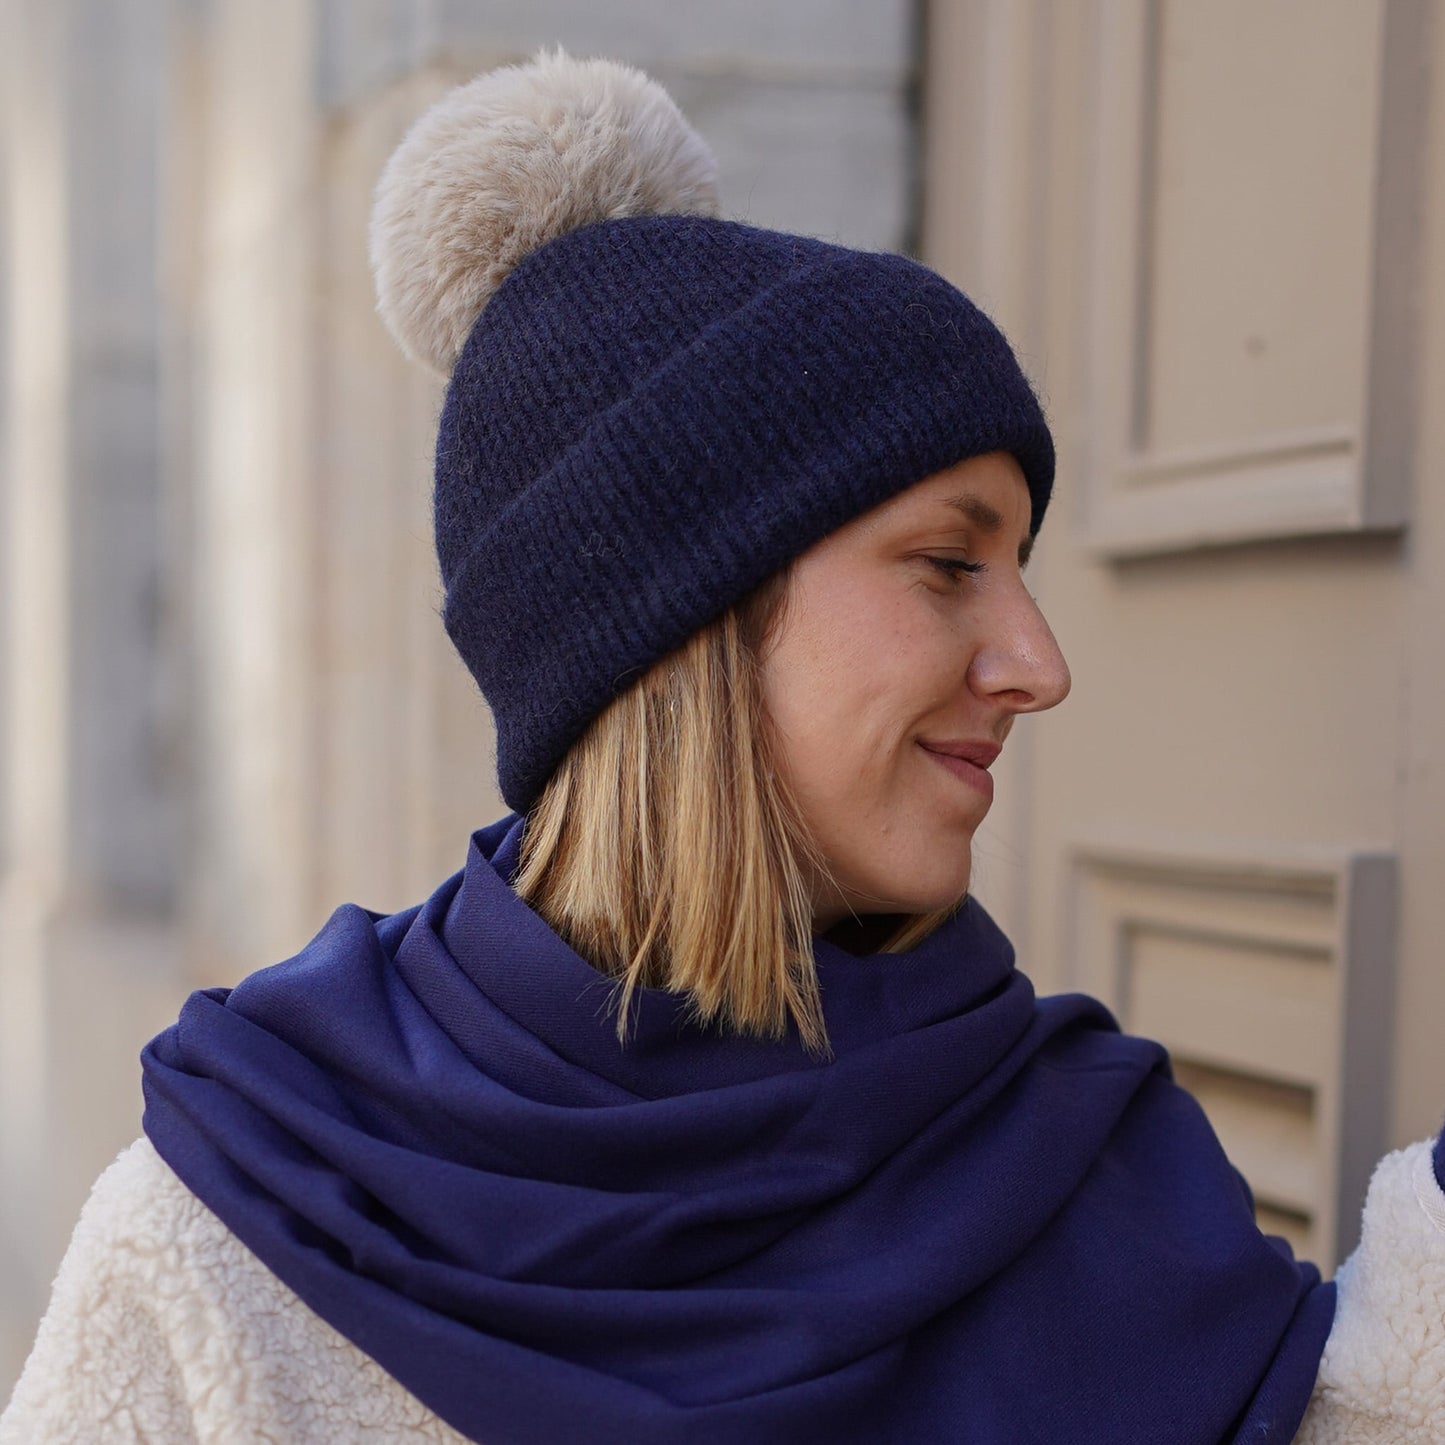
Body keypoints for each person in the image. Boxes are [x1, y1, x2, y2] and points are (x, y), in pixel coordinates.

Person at [2, 49, 1442, 1445]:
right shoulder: (242, 1227)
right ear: (684, 624)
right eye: (950, 563)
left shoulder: (1072, 1154)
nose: (1039, 665)